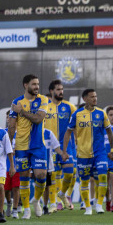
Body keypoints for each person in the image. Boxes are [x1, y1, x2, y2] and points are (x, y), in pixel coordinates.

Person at [62, 88, 113, 216]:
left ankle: (99, 205)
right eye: (92, 97)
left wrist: (112, 149)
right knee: (84, 181)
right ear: (85, 99)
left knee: (102, 176)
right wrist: (64, 151)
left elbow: (109, 132)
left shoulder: (102, 113)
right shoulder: (77, 114)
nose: (95, 99)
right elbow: (68, 132)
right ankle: (87, 207)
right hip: (83, 153)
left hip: (100, 153)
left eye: (95, 96)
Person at [8, 74, 51, 219]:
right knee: (24, 176)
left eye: (38, 84)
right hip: (21, 145)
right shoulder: (16, 101)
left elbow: (39, 119)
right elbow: (12, 125)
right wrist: (9, 144)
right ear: (25, 85)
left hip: (38, 145)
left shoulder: (43, 99)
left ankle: (36, 200)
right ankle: (26, 209)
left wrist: (22, 112)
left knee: (41, 175)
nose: (37, 87)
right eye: (34, 84)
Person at [44, 79, 77, 212]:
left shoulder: (69, 106)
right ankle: (53, 203)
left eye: (62, 89)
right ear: (52, 91)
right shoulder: (45, 107)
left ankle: (62, 194)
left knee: (69, 173)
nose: (61, 91)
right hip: (50, 147)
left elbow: (77, 123)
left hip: (66, 146)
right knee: (52, 176)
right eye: (58, 89)